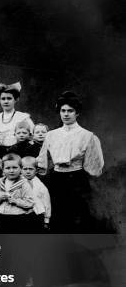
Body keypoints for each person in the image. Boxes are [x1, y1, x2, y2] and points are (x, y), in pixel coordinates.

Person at [37, 91, 104, 232]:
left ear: (77, 113)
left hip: (77, 180)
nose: (66, 114)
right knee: (57, 216)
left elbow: (94, 167)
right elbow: (43, 162)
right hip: (56, 180)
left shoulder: (87, 136)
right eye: (63, 110)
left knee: (77, 218)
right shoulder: (51, 135)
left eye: (70, 111)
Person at [0, 153, 35, 232]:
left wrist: (16, 201)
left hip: (18, 218)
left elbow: (30, 203)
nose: (11, 170)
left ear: (20, 168)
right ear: (3, 169)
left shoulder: (24, 183)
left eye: (15, 167)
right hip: (1, 217)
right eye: (8, 168)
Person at [0, 82, 34, 146]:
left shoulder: (23, 117)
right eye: (3, 99)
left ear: (16, 99)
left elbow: (32, 137)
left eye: (9, 98)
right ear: (0, 100)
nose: (6, 101)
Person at [21, 156, 51, 231]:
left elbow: (46, 202)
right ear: (21, 170)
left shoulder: (40, 186)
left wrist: (46, 220)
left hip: (36, 215)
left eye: (31, 169)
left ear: (36, 171)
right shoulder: (17, 183)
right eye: (25, 169)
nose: (28, 172)